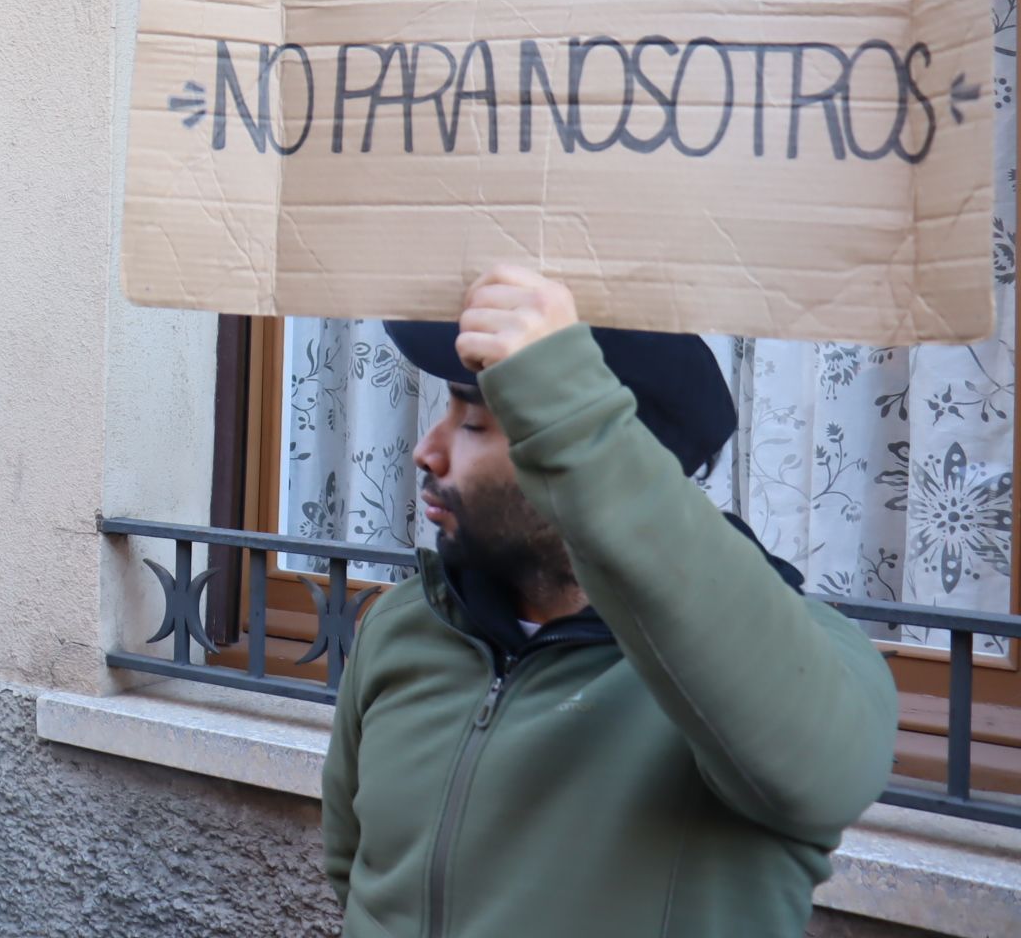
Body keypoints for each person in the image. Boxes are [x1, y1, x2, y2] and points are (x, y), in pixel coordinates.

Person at [320, 265, 900, 937]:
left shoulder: (785, 661)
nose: (426, 451)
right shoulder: (407, 624)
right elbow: (356, 874)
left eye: (474, 421)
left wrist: (567, 400)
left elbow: (824, 774)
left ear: (587, 456)